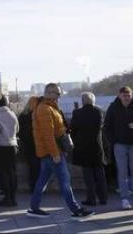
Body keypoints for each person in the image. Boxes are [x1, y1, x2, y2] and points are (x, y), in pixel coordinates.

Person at [27, 83, 93, 219]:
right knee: (64, 181)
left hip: (48, 152)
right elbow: (48, 135)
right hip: (52, 152)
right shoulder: (45, 109)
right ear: (49, 93)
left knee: (42, 180)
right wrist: (55, 154)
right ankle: (75, 209)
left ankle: (33, 207)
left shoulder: (47, 107)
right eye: (57, 93)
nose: (59, 96)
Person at [71, 92, 107, 207]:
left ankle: (91, 199)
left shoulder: (77, 113)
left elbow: (73, 129)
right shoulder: (99, 111)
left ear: (82, 101)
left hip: (83, 148)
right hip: (97, 146)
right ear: (93, 100)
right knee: (100, 174)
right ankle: (103, 198)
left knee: (88, 176)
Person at [105, 86, 133, 210]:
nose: (126, 98)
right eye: (124, 95)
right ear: (119, 95)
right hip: (120, 144)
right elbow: (107, 126)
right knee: (122, 172)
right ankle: (125, 198)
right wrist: (114, 141)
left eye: (128, 95)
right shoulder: (113, 107)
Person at [18, 100, 39, 193]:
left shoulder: (23, 116)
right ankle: (37, 187)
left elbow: (19, 132)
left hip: (27, 145)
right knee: (38, 168)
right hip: (37, 144)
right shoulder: (38, 116)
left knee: (32, 168)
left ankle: (33, 186)